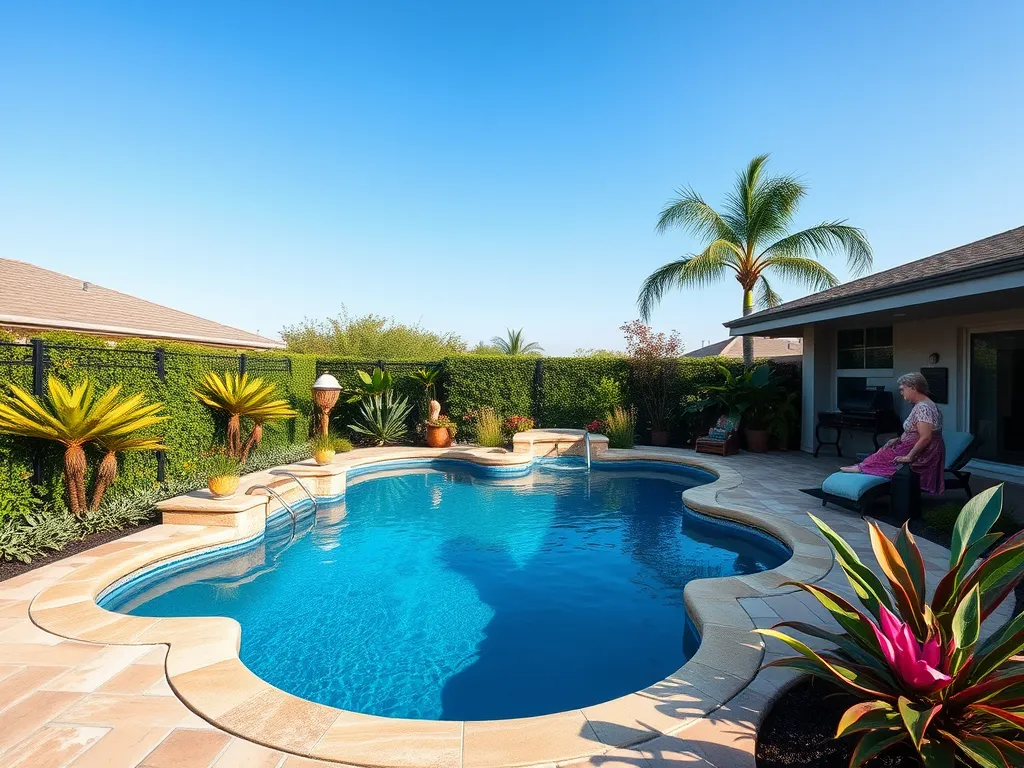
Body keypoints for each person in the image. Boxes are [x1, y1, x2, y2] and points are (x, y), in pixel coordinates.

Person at [840, 372, 945, 494]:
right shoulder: (925, 405)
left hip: (921, 454)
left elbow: (926, 437)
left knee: (881, 458)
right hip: (912, 447)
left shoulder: (924, 408)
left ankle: (863, 469)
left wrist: (909, 456)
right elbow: (916, 432)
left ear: (913, 388)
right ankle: (862, 467)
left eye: (902, 389)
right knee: (882, 453)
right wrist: (899, 439)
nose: (901, 393)